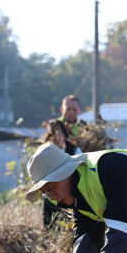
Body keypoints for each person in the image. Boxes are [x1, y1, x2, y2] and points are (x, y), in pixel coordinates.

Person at [41, 95, 86, 229]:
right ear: (62, 109)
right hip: (51, 188)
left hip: (69, 186)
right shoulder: (55, 126)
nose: (71, 113)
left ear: (78, 111)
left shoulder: (83, 128)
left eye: (74, 109)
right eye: (68, 109)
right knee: (50, 223)